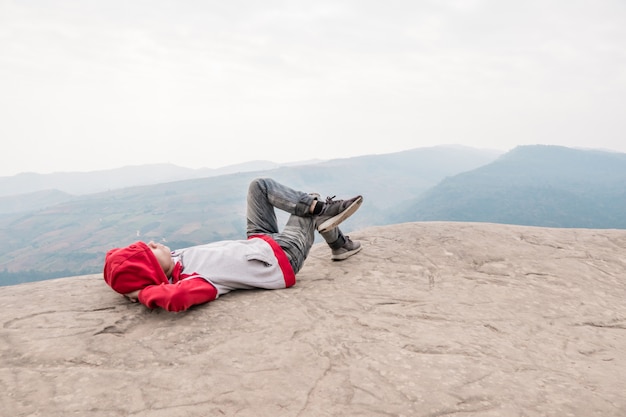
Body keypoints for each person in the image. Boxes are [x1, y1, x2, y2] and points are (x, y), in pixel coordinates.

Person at [103, 177, 363, 312]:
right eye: (149, 251)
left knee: (259, 186)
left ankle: (326, 219)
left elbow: (118, 267)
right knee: (310, 204)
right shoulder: (193, 281)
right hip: (283, 256)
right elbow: (177, 299)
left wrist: (124, 272)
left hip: (261, 241)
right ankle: (334, 233)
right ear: (154, 272)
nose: (151, 243)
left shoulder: (175, 258)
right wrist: (139, 293)